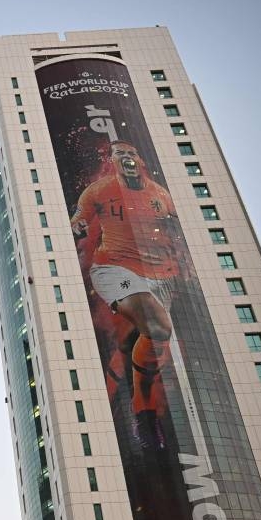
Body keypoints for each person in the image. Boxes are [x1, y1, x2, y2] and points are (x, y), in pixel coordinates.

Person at [71, 141, 180, 430]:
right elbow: (78, 219)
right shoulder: (99, 191)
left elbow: (176, 228)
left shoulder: (160, 195)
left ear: (139, 160)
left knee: (152, 341)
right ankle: (134, 410)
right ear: (113, 162)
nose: (126, 157)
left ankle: (143, 411)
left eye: (131, 152)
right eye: (119, 154)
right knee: (156, 326)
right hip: (114, 268)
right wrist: (78, 226)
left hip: (160, 276)